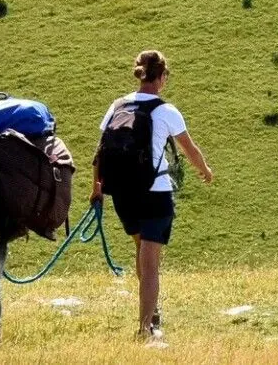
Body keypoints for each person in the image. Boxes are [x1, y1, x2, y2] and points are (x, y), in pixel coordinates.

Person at [89, 50, 215, 340]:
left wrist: (97, 188)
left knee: (141, 251)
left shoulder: (117, 105)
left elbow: (100, 152)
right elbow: (189, 149)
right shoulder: (166, 110)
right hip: (155, 194)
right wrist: (206, 171)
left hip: (123, 195)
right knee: (150, 263)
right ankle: (147, 328)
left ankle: (151, 312)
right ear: (161, 77)